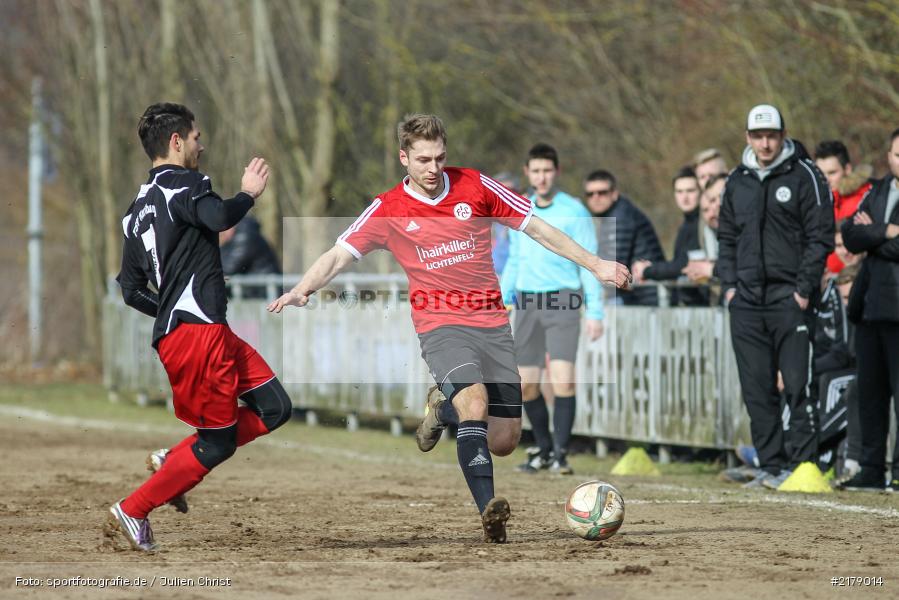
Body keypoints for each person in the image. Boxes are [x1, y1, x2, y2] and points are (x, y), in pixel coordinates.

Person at [267, 114, 630, 543]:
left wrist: (598, 265)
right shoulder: (387, 209)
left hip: (493, 323)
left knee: (505, 440)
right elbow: (339, 254)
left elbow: (541, 231)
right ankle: (489, 513)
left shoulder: (475, 186)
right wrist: (303, 288)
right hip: (440, 325)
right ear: (404, 158)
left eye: (440, 157)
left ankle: (442, 410)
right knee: (475, 403)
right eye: (423, 159)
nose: (433, 168)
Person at [106, 103, 293, 552]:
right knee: (217, 445)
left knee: (275, 408)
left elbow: (131, 290)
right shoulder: (185, 183)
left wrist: (172, 314)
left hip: (202, 332)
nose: (200, 145)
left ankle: (174, 459)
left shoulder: (135, 212)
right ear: (176, 142)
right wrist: (248, 194)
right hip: (199, 336)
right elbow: (218, 218)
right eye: (196, 137)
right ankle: (132, 510)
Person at [717, 104, 833, 490]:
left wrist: (803, 289)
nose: (765, 143)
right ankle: (771, 465)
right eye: (758, 136)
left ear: (783, 135)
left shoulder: (806, 175)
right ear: (748, 137)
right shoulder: (737, 180)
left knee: (798, 385)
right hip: (746, 301)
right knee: (757, 387)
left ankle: (803, 466)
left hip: (790, 298)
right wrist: (730, 286)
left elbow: (820, 236)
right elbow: (727, 237)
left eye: (772, 135)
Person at [500, 143, 604, 475]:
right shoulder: (519, 208)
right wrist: (502, 300)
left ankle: (561, 454)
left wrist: (596, 311)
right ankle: (542, 449)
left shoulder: (574, 210)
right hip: (527, 303)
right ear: (527, 173)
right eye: (536, 171)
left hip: (563, 300)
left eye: (548, 170)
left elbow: (589, 261)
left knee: (563, 382)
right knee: (527, 385)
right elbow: (515, 259)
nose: (542, 177)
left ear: (556, 172)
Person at [838, 127, 899, 492]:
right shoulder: (877, 191)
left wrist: (873, 234)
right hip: (871, 307)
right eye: (897, 153)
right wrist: (888, 231)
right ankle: (872, 468)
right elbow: (850, 234)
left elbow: (867, 238)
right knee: (872, 395)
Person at [584, 169, 665, 306]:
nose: (595, 197)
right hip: (637, 296)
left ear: (614, 194)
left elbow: (612, 265)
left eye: (602, 193)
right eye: (590, 194)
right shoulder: (613, 214)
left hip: (646, 299)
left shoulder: (621, 217)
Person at [632, 166, 706, 306]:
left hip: (705, 305)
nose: (684, 197)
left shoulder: (704, 223)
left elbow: (686, 265)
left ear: (701, 192)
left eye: (690, 191)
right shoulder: (686, 224)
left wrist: (648, 270)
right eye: (679, 191)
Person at [814, 140, 874, 274]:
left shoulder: (867, 199)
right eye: (820, 173)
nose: (825, 179)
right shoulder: (814, 203)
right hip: (825, 280)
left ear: (847, 169)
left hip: (859, 277)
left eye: (832, 173)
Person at [683, 173, 726, 286]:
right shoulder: (705, 231)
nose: (716, 206)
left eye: (721, 197)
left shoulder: (747, 226)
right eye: (712, 200)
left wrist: (711, 269)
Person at [489, 172, 520, 276]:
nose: (506, 196)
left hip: (520, 279)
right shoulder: (486, 222)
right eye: (501, 192)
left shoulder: (526, 222)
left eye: (511, 191)